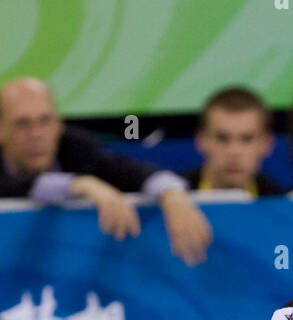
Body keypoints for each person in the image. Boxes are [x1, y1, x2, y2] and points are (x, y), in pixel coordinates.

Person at [0, 77, 211, 265]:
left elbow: (130, 171)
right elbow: (15, 187)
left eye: (44, 121)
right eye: (22, 124)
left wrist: (172, 195)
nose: (36, 134)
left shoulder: (77, 147)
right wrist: (80, 184)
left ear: (58, 125)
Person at [182, 86, 286, 196]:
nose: (234, 151)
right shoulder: (169, 198)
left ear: (267, 143)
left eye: (247, 139)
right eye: (222, 138)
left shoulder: (282, 203)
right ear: (201, 140)